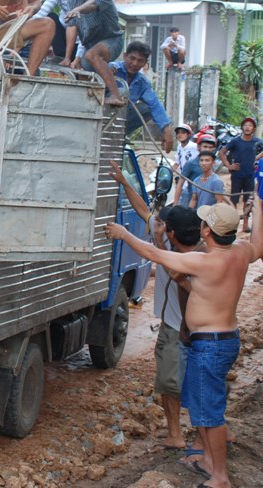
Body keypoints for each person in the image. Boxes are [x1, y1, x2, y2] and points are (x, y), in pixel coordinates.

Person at [105, 200, 263, 488]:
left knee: (209, 413)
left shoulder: (203, 261)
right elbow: (259, 243)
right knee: (201, 403)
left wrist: (124, 234)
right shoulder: (241, 253)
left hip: (210, 345)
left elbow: (154, 253)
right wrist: (261, 206)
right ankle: (205, 459)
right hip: (222, 340)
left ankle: (220, 476)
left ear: (206, 231)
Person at [110, 160, 200, 450]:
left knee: (174, 385)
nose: (156, 223)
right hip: (181, 328)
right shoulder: (179, 242)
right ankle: (185, 434)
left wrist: (138, 237)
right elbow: (143, 210)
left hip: (182, 330)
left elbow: (171, 269)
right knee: (179, 384)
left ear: (173, 232)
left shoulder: (195, 257)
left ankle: (183, 435)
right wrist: (125, 182)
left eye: (163, 224)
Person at [64, 0, 125, 106]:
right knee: (83, 71)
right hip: (89, 44)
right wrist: (68, 57)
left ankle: (116, 95)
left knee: (92, 55)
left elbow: (92, 4)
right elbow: (72, 27)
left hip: (112, 40)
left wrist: (78, 9)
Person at [110, 41, 173, 153]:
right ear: (125, 56)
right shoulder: (112, 69)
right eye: (132, 58)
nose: (134, 63)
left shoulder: (142, 82)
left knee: (146, 108)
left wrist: (166, 130)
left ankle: (119, 135)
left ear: (145, 63)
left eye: (140, 61)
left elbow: (154, 104)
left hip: (120, 120)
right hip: (101, 115)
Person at [31, 0, 82, 65]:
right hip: (63, 32)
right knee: (50, 17)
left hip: (81, 39)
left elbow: (86, 30)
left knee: (72, 22)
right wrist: (23, 28)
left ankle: (68, 57)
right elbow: (42, 12)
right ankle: (62, 56)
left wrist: (78, 57)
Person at [219, 116, 261, 232]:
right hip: (237, 175)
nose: (247, 127)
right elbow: (222, 153)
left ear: (253, 129)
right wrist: (228, 165)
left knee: (248, 200)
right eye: (246, 125)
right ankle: (233, 225)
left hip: (250, 175)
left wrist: (256, 158)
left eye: (250, 125)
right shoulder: (235, 141)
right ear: (242, 127)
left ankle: (245, 225)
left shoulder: (257, 141)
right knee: (234, 200)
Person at [175, 134, 217, 206]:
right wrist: (175, 203)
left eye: (210, 147)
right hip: (192, 201)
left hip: (207, 202)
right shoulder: (191, 163)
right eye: (205, 147)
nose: (207, 149)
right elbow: (180, 183)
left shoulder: (212, 164)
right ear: (198, 147)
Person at [173, 123, 199, 206]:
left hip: (193, 180)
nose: (180, 135)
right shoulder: (179, 147)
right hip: (183, 179)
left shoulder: (195, 147)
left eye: (183, 133)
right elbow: (177, 163)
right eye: (178, 133)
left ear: (188, 134)